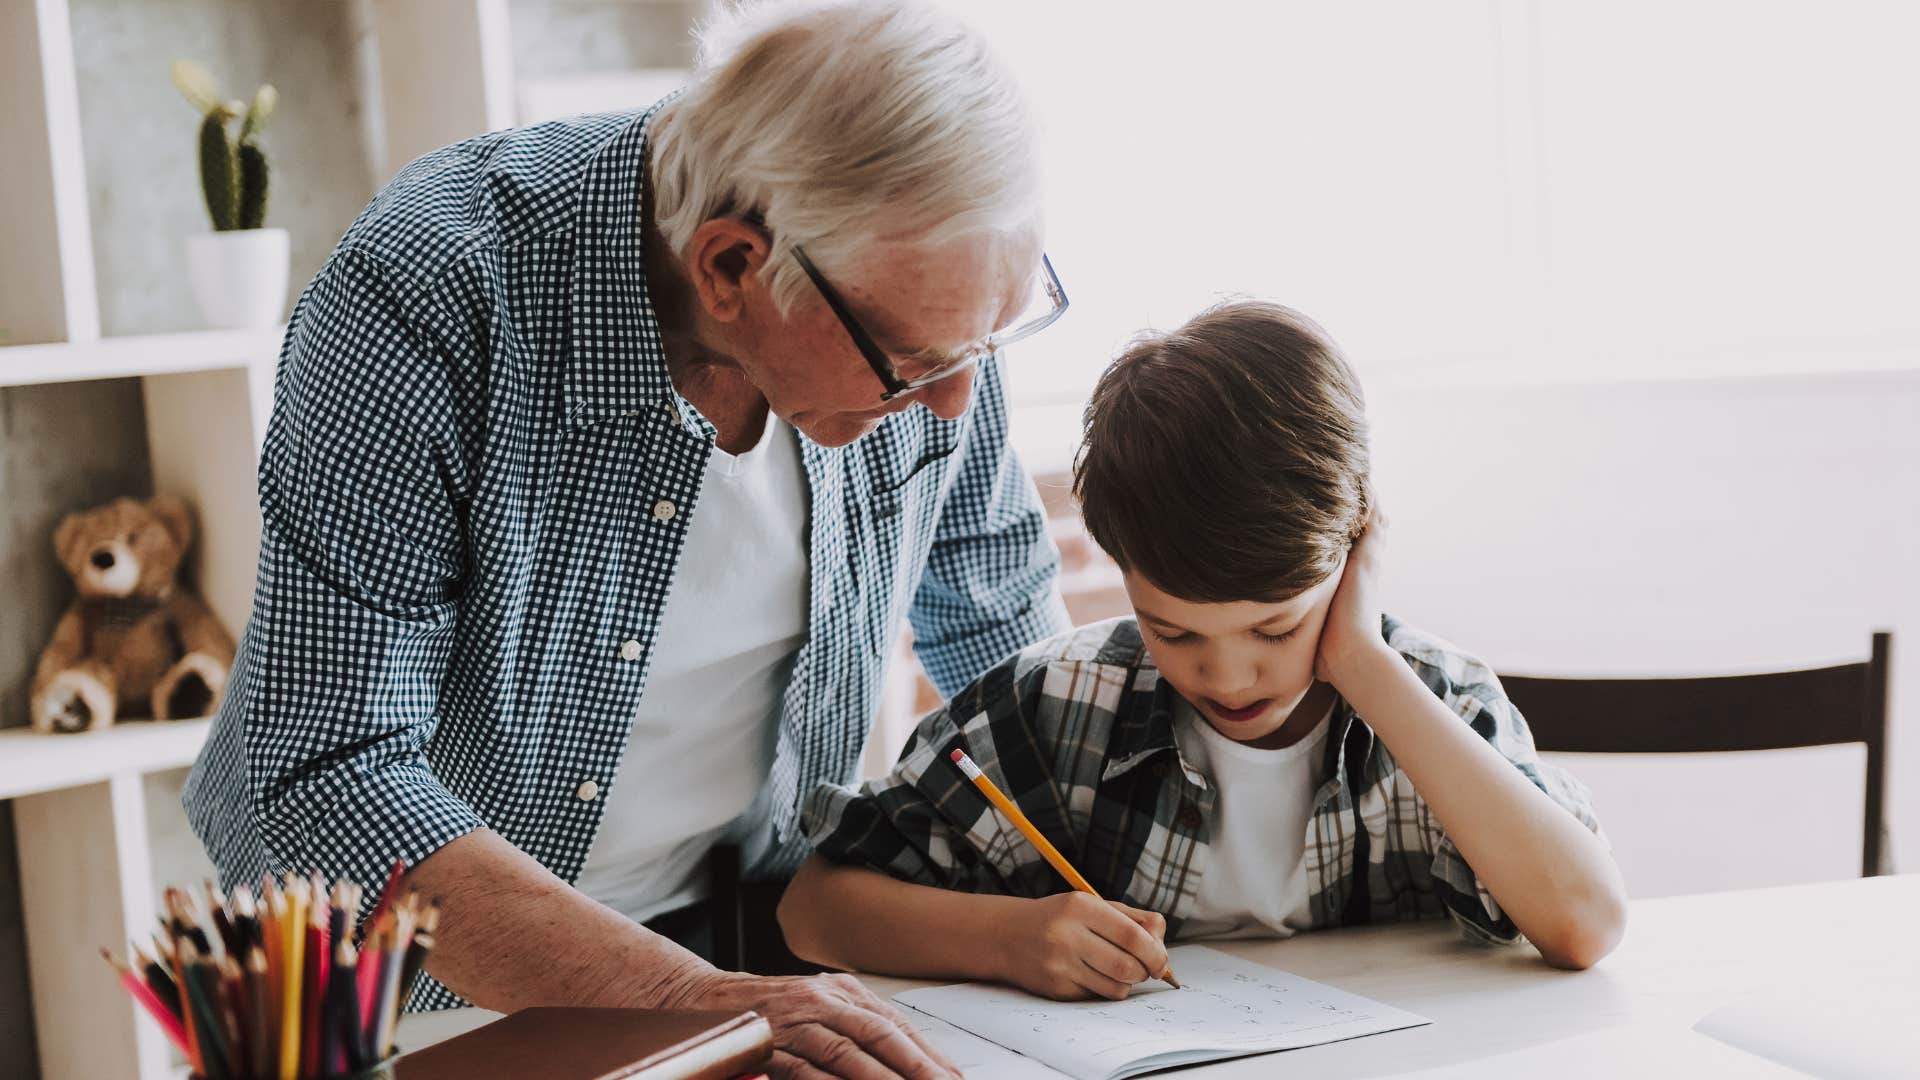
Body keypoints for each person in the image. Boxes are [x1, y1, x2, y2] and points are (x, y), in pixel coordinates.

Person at [184, 1, 1069, 1073]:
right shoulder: (428, 289)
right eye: (915, 364)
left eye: (982, 345)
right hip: (385, 980)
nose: (953, 402)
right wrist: (691, 1003)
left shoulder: (917, 301)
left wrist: (1091, 877)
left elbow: (995, 611)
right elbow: (330, 768)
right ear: (731, 268)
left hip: (730, 934)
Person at [780, 301, 1628, 1001]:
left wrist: (1364, 663)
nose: (1225, 675)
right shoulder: (1058, 704)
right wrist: (1008, 938)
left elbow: (1585, 923)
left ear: (1356, 550)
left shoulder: (1436, 700)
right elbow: (814, 909)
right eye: (1174, 631)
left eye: (1276, 629)